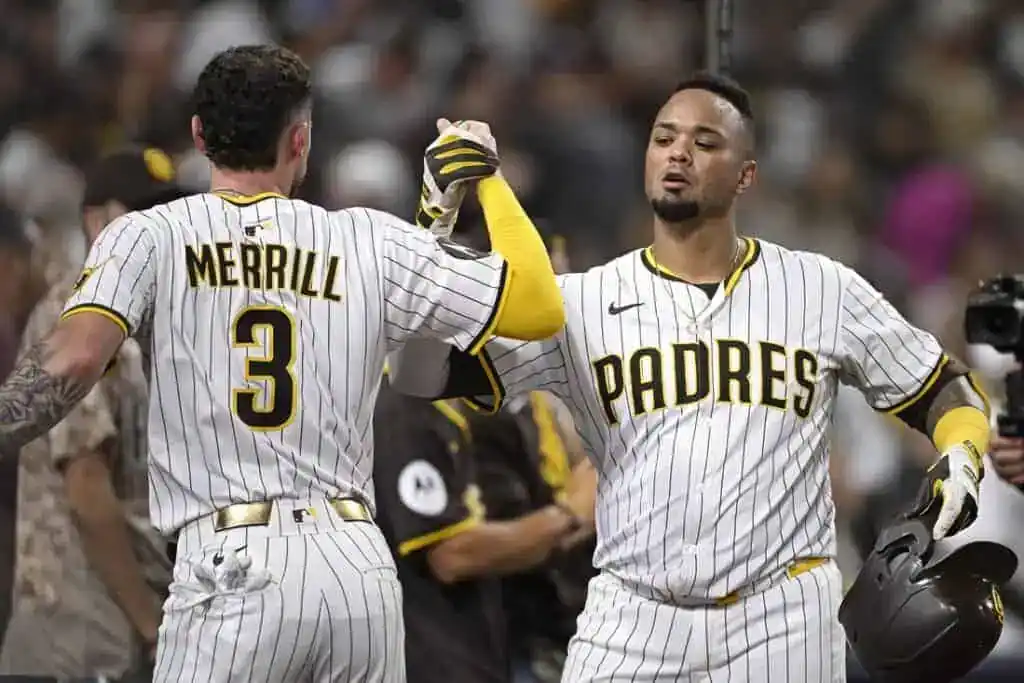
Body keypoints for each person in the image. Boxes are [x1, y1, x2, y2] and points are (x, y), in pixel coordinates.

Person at [387, 71, 993, 682]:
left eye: (705, 142)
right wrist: (432, 226)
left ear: (746, 174)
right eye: (664, 138)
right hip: (633, 614)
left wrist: (963, 453)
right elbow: (419, 376)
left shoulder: (821, 288)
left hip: (779, 616)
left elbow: (940, 385)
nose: (678, 152)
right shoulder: (581, 303)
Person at [0, 44, 563, 683]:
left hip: (234, 564)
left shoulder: (151, 232)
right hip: (357, 570)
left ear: (199, 136)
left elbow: (73, 357)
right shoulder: (366, 237)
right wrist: (485, 176)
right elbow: (539, 305)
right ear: (300, 141)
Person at [0, 146, 183, 682]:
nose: (162, 226)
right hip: (80, 635)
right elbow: (86, 491)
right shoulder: (78, 316)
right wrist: (153, 629)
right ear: (96, 219)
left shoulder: (149, 317)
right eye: (144, 211)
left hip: (115, 628)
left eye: (170, 210)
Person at [372, 377, 596, 683]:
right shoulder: (405, 409)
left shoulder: (458, 404)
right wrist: (570, 515)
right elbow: (451, 555)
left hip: (489, 647)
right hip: (444, 656)